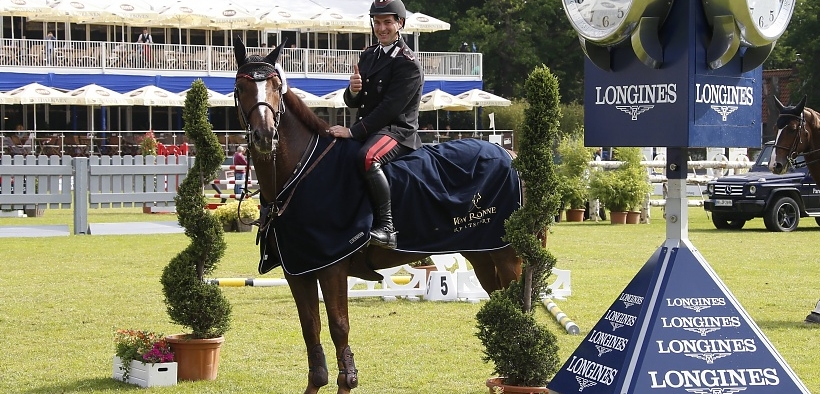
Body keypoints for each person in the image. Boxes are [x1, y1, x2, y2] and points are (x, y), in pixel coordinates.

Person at [327, 0, 423, 249]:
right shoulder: (369, 55)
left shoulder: (408, 63)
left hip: (397, 131)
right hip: (372, 128)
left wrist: (353, 131)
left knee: (368, 158)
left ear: (399, 24)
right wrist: (353, 90)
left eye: (387, 23)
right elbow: (356, 102)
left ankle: (388, 228)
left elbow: (389, 109)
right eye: (377, 22)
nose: (381, 28)